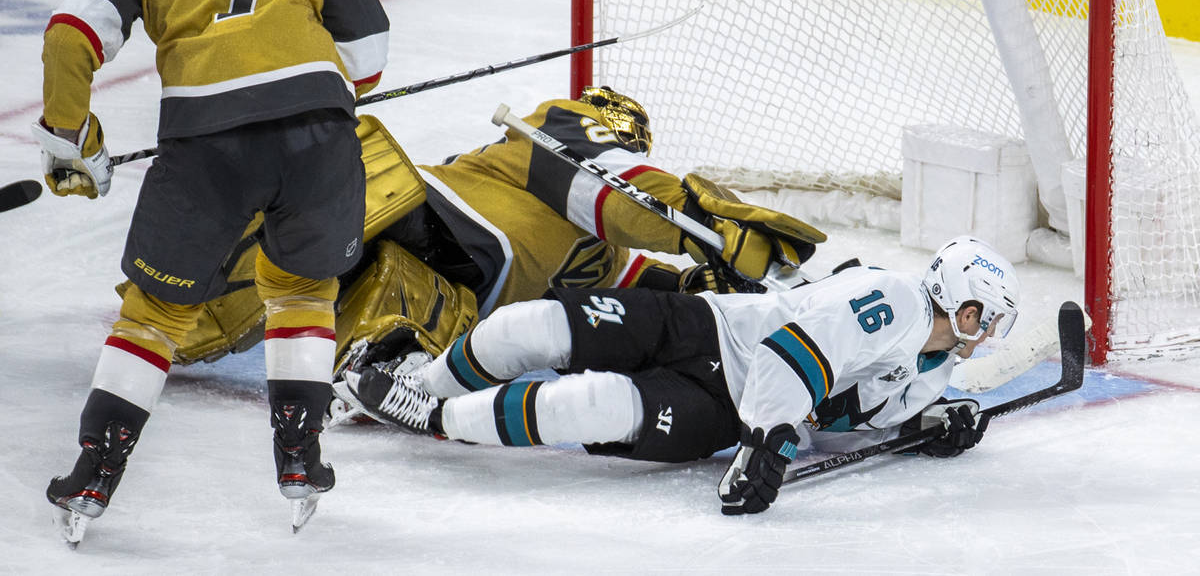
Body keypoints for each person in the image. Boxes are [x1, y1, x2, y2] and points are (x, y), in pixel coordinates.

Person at [36, 0, 390, 541]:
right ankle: (300, 456)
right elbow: (370, 51)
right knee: (300, 291)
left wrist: (68, 135)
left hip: (207, 145)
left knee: (154, 317)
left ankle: (95, 476)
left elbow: (72, 32)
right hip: (320, 137)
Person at [156, 89, 826, 390]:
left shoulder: (596, 246)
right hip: (427, 211)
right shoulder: (557, 129)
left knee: (431, 301)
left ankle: (363, 334)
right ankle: (224, 255)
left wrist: (697, 285)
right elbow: (618, 190)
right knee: (366, 206)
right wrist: (708, 225)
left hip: (457, 267)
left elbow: (626, 290)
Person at [343, 236, 1018, 516]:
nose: (990, 334)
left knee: (595, 407)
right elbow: (794, 352)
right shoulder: (894, 300)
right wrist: (769, 437)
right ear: (962, 304)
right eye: (989, 317)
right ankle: (425, 380)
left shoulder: (935, 367)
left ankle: (430, 416)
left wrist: (928, 422)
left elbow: (852, 420)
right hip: (708, 327)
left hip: (718, 409)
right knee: (534, 327)